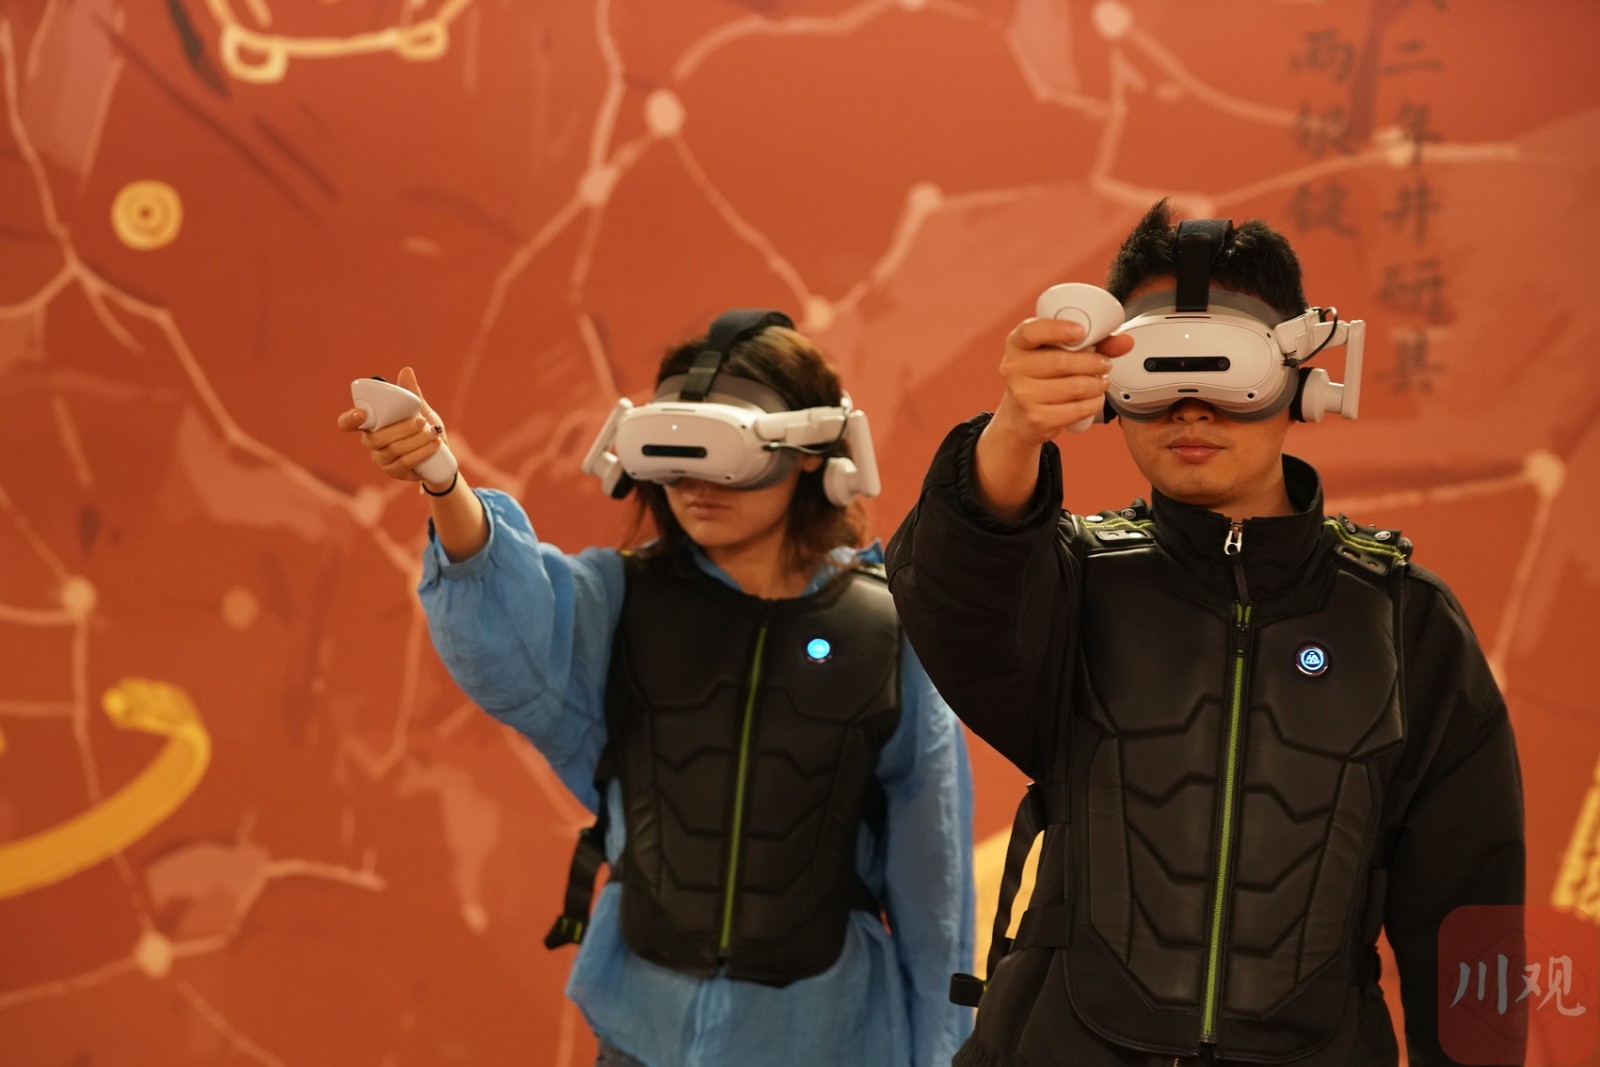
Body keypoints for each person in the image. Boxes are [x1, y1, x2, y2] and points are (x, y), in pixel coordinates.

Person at [884, 201, 1525, 1066]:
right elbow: (955, 596)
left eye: (1229, 369)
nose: (1191, 407)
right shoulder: (1070, 582)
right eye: (1156, 371)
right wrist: (1013, 431)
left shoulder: (1405, 619)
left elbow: (1471, 919)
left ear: (1299, 376)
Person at [337, 309, 976, 1067]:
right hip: (643, 1030)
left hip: (823, 1035)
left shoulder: (888, 630)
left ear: (810, 452)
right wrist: (443, 480)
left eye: (723, 455)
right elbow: (509, 620)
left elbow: (934, 882)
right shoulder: (619, 601)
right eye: (673, 455)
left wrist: (945, 1055)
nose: (696, 485)